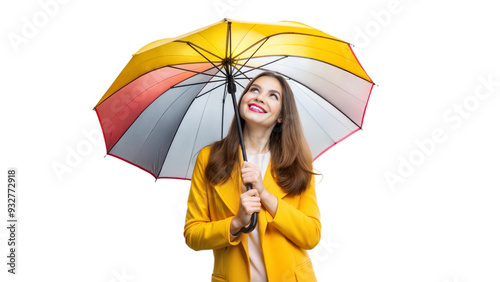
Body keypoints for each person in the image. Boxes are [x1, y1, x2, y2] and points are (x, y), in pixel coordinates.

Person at [184, 71, 321, 282]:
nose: (259, 97)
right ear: (242, 99)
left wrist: (265, 195)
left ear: (282, 116)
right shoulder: (209, 158)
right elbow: (193, 235)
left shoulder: (297, 163)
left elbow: (311, 235)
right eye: (254, 90)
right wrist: (236, 222)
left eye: (273, 95)